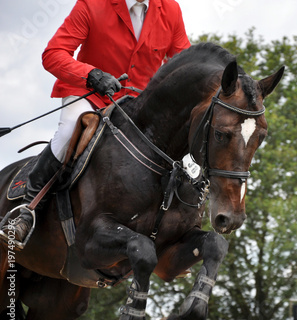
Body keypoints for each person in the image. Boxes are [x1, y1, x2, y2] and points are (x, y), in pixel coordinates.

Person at [1, 0, 191, 245]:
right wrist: (91, 75)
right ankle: (27, 210)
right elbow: (53, 54)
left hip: (137, 107)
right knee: (70, 131)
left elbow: (183, 64)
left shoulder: (170, 10)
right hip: (89, 94)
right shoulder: (92, 4)